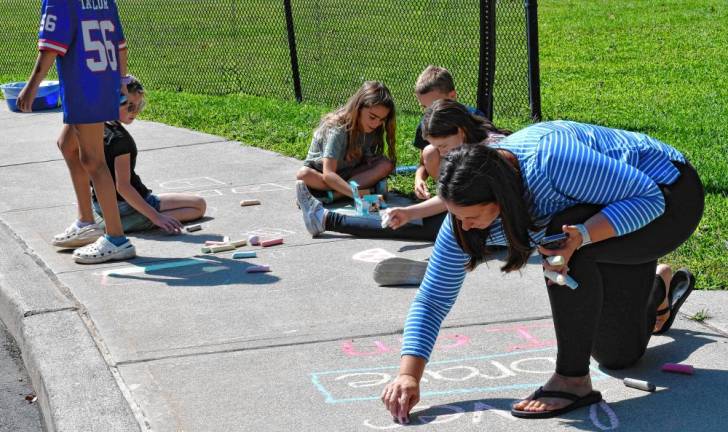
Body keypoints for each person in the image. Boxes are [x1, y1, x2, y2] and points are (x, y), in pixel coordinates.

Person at [380, 120, 703, 422]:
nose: (464, 225)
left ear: (502, 199)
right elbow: (432, 299)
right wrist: (409, 373)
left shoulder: (552, 164)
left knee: (561, 243)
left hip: (670, 193)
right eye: (456, 215)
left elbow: (649, 197)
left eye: (473, 216)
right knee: (617, 356)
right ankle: (657, 290)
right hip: (613, 213)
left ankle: (571, 380)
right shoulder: (463, 219)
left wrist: (584, 236)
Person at [17, 0, 135, 264]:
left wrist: (31, 86)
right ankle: (86, 221)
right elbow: (120, 45)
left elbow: (50, 47)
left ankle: (117, 239)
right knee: (67, 144)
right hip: (103, 79)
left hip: (84, 85)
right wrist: (123, 81)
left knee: (93, 160)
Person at [296, 100, 509, 241]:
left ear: (461, 132)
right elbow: (452, 199)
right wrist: (410, 212)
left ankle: (326, 219)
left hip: (500, 226)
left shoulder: (489, 153)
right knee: (414, 222)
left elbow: (455, 202)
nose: (443, 154)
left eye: (443, 146)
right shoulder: (471, 146)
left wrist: (411, 213)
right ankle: (325, 218)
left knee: (421, 226)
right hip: (488, 220)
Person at [89, 77, 206, 233]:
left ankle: (114, 219)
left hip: (101, 204)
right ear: (115, 101)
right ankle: (129, 222)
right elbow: (123, 186)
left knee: (192, 204)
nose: (135, 112)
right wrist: (156, 217)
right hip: (126, 205)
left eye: (139, 106)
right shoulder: (120, 140)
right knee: (199, 205)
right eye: (130, 106)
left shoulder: (94, 127)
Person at [296, 81, 396, 203]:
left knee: (386, 164)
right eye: (372, 117)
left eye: (381, 120)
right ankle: (357, 191)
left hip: (348, 175)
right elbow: (328, 174)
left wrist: (369, 159)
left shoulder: (374, 127)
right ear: (358, 108)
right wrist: (358, 196)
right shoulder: (338, 129)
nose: (376, 123)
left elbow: (367, 155)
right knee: (304, 175)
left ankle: (333, 195)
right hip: (322, 175)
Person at [412, 65, 486, 200]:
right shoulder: (427, 124)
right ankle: (446, 192)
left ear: (452, 96)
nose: (430, 113)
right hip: (448, 173)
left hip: (474, 174)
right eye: (424, 107)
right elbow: (423, 162)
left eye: (435, 104)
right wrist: (418, 179)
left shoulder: (473, 118)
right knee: (429, 151)